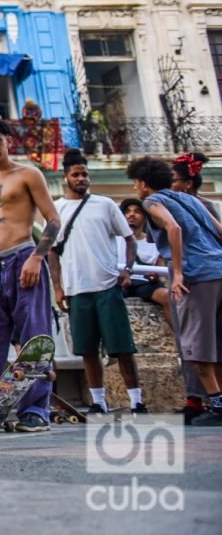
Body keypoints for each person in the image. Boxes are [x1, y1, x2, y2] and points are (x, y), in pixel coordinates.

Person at [0, 116, 62, 432]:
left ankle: (35, 411)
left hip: (23, 260)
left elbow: (53, 221)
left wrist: (36, 257)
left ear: (9, 142)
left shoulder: (28, 175)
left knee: (34, 338)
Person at [127, 156, 222, 426]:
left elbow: (174, 228)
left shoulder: (152, 202)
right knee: (217, 344)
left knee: (195, 346)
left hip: (197, 276)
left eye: (136, 183)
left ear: (144, 183)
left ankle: (217, 405)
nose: (135, 189)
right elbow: (219, 231)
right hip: (218, 270)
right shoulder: (192, 199)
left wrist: (177, 272)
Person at [47, 150, 143, 414]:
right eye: (76, 174)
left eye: (85, 174)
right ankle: (98, 401)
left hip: (107, 285)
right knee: (87, 351)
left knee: (123, 348)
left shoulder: (105, 204)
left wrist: (127, 270)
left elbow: (129, 239)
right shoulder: (56, 209)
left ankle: (137, 400)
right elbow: (51, 251)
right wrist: (58, 287)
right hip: (77, 289)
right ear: (65, 177)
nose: (81, 179)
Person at [118, 199, 172, 317]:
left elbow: (161, 272)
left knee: (168, 297)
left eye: (137, 211)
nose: (131, 214)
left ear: (145, 216)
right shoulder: (114, 240)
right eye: (127, 211)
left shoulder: (155, 243)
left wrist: (157, 277)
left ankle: (180, 335)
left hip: (145, 283)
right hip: (119, 283)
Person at [172, 153, 219, 219]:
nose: (169, 184)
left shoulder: (206, 205)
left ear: (188, 183)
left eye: (173, 181)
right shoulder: (170, 203)